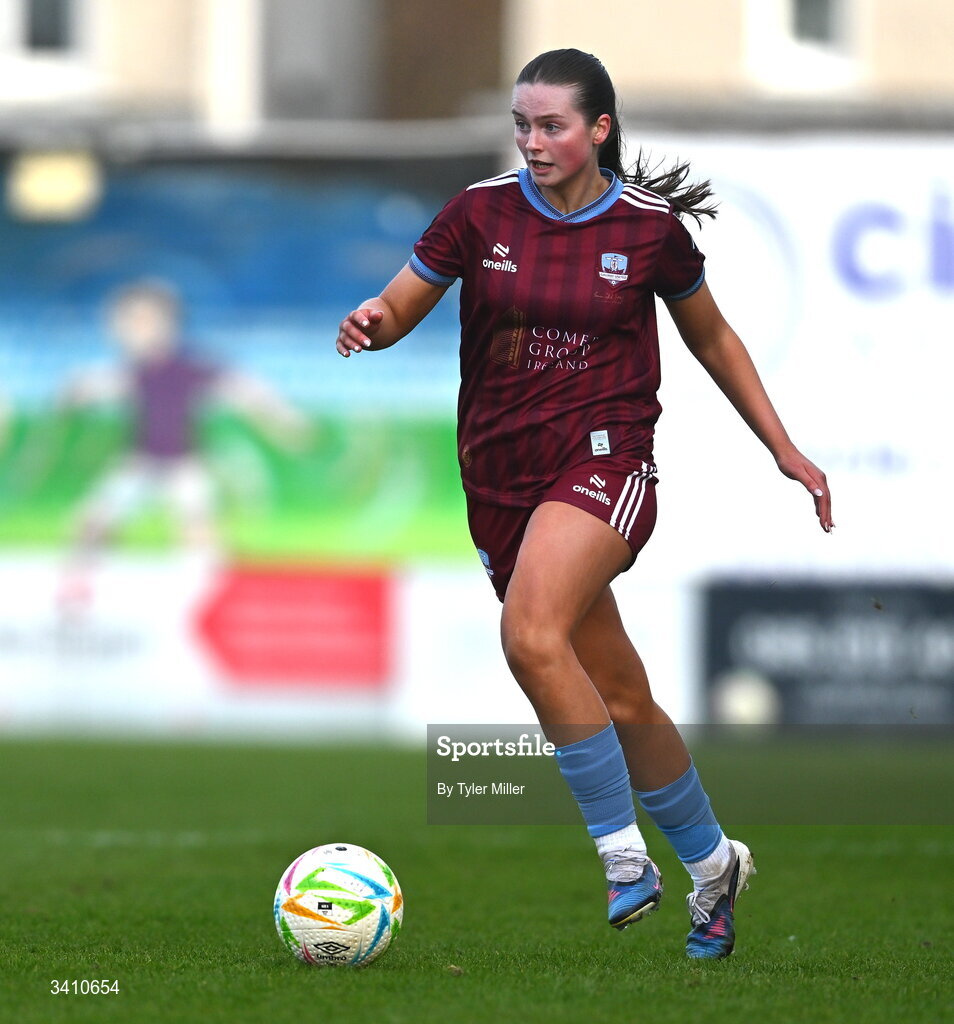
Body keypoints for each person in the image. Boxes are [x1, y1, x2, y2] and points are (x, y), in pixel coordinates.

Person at [336, 49, 833, 960]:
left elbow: (714, 340)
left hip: (606, 460)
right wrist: (373, 320)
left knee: (530, 633)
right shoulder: (478, 213)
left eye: (552, 125)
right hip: (499, 476)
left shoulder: (651, 232)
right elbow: (404, 304)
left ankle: (621, 859)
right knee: (620, 693)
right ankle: (714, 863)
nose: (533, 142)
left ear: (599, 129)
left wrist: (784, 447)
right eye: (523, 125)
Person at [59, 279, 308, 609]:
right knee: (93, 521)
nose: (127, 330)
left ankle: (216, 599)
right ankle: (77, 590)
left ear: (166, 322)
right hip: (141, 460)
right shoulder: (135, 370)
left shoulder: (189, 366)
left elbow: (245, 389)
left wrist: (282, 420)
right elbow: (97, 384)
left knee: (197, 528)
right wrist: (77, 392)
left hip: (183, 463)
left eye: (138, 320)